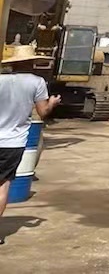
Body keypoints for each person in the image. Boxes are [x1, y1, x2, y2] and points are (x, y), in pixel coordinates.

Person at [0, 49, 61, 243]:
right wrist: (52, 102)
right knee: (2, 187)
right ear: (32, 62)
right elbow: (42, 113)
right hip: (12, 143)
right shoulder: (37, 82)